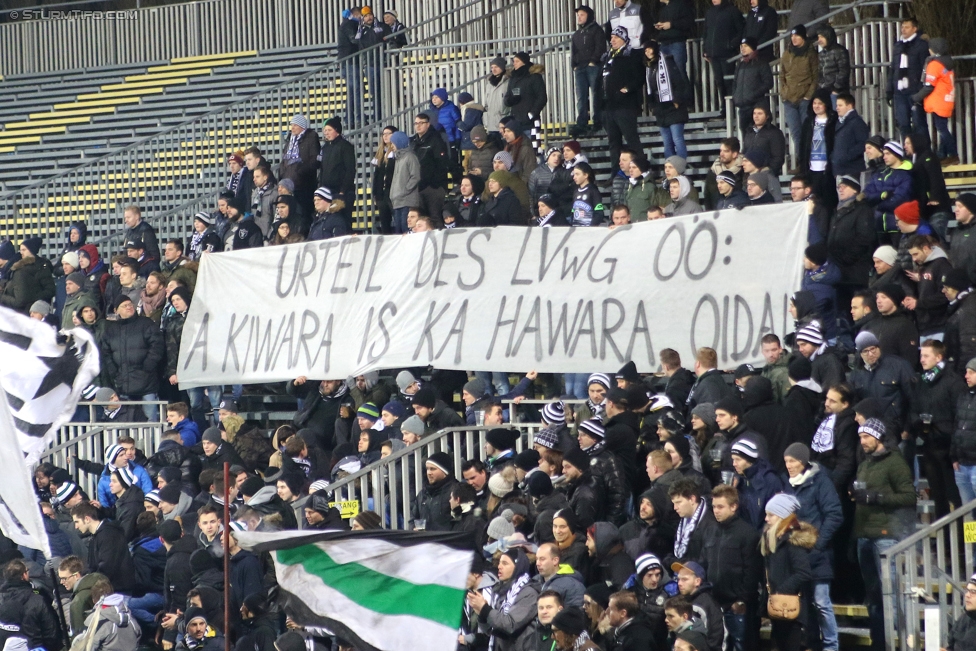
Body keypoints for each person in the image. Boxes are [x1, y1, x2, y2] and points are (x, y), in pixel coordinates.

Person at [854, 418, 916, 651]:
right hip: (864, 535)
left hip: (887, 535)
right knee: (873, 596)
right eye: (860, 437)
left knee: (891, 594)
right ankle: (879, 643)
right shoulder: (864, 464)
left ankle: (900, 642)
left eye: (866, 436)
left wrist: (877, 498)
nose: (862, 442)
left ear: (878, 437)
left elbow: (909, 497)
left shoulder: (895, 463)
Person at [782, 443, 842, 651]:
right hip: (797, 554)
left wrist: (818, 544)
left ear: (803, 461)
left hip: (818, 554)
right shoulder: (787, 485)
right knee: (806, 604)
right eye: (786, 461)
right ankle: (812, 645)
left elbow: (834, 514)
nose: (788, 465)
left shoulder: (820, 481)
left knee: (821, 602)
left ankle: (831, 646)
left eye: (792, 461)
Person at [701, 484, 761, 651]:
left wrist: (741, 600)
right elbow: (704, 562)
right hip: (714, 603)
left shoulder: (747, 534)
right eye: (714, 507)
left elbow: (752, 571)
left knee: (742, 645)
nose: (716, 511)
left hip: (737, 605)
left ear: (733, 506)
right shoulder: (710, 530)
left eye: (720, 507)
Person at [761, 494, 815, 651]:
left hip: (791, 610)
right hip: (778, 608)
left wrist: (780, 591)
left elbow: (804, 572)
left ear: (783, 517)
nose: (766, 519)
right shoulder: (774, 539)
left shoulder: (792, 541)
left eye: (771, 515)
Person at [469, 549, 539, 651]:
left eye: (505, 563)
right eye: (499, 563)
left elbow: (510, 625)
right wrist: (481, 614)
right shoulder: (501, 591)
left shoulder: (529, 593)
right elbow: (490, 630)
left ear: (517, 567)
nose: (499, 567)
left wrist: (485, 609)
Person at [827, 176, 877, 306]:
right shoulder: (837, 211)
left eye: (845, 187)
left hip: (855, 272)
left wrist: (847, 258)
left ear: (855, 190)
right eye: (839, 187)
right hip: (839, 272)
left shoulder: (862, 210)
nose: (840, 190)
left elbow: (865, 238)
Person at [71, 502, 136, 594]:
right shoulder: (97, 536)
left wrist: (87, 583)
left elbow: (107, 567)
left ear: (87, 519)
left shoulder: (108, 535)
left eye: (77, 522)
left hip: (118, 591)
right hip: (109, 588)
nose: (76, 526)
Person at [602, 28, 645, 168]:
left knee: (632, 140)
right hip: (609, 106)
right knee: (613, 142)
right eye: (611, 37)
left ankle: (641, 169)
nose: (612, 40)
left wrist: (627, 89)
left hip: (625, 106)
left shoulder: (631, 54)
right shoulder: (608, 56)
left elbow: (639, 76)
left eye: (616, 37)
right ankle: (616, 173)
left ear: (624, 39)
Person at [643, 39, 691, 160]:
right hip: (661, 109)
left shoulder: (668, 62)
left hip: (673, 107)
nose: (647, 52)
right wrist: (652, 106)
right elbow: (650, 89)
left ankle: (680, 166)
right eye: (645, 50)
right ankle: (670, 167)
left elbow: (679, 82)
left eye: (649, 49)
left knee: (677, 139)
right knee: (667, 142)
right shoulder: (649, 67)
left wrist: (677, 100)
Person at [913, 38, 958, 165]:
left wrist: (916, 97)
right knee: (942, 127)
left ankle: (953, 154)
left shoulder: (934, 64)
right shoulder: (947, 63)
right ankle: (942, 155)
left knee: (942, 129)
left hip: (938, 101)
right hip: (947, 99)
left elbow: (929, 85)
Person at [0, 559, 62, 651]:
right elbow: (51, 632)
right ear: (24, 575)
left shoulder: (1, 599)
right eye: (27, 571)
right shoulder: (38, 599)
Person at [780, 25, 819, 158]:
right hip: (789, 100)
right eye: (792, 36)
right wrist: (784, 93)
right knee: (796, 133)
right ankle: (800, 162)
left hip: (804, 99)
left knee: (807, 131)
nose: (794, 38)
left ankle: (810, 161)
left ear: (803, 37)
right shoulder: (787, 53)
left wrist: (808, 96)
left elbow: (816, 76)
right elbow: (782, 75)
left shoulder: (811, 53)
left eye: (797, 35)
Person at [886, 18, 929, 140]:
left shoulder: (921, 46)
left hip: (915, 91)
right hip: (899, 91)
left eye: (907, 27)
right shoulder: (898, 46)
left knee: (919, 123)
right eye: (902, 27)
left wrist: (921, 90)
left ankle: (923, 152)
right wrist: (889, 89)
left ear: (914, 29)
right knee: (903, 124)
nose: (903, 29)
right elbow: (893, 68)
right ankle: (908, 152)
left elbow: (924, 69)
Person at [863, 141, 914, 241]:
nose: (884, 157)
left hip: (897, 227)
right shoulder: (879, 174)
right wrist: (882, 196)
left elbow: (899, 199)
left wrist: (877, 205)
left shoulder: (906, 175)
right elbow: (867, 194)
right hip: (878, 225)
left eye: (888, 154)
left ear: (897, 154)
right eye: (884, 154)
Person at [671, 561, 725, 651]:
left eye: (684, 579)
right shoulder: (681, 600)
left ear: (697, 581)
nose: (679, 583)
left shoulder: (707, 604)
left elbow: (716, 638)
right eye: (678, 579)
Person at [906, 235, 952, 340]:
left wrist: (918, 303)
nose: (914, 258)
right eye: (912, 255)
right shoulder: (924, 266)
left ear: (926, 248)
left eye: (916, 254)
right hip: (925, 326)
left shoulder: (942, 265)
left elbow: (945, 295)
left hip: (939, 325)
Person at [570, 6, 607, 137]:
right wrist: (574, 65)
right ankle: (582, 121)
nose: (579, 17)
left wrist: (593, 61)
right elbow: (574, 51)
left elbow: (600, 47)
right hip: (580, 68)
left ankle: (598, 120)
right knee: (581, 96)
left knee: (596, 94)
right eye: (578, 15)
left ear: (589, 16)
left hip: (593, 66)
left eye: (582, 15)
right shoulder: (577, 34)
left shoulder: (597, 31)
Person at [797, 91, 838, 208]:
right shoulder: (808, 121)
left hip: (828, 170)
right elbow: (803, 145)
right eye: (814, 103)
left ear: (826, 104)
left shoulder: (833, 121)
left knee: (829, 203)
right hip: (811, 170)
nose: (816, 106)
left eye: (820, 103)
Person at [702, 0, 743, 103]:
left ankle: (732, 107)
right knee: (719, 81)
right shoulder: (709, 12)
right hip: (713, 53)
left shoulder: (732, 11)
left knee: (728, 81)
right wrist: (705, 49)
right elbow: (706, 32)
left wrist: (732, 45)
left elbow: (741, 30)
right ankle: (724, 108)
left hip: (727, 53)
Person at [412, 113, 450, 222]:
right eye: (416, 123)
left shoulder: (436, 140)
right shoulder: (413, 142)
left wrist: (435, 184)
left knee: (435, 217)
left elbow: (442, 163)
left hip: (433, 187)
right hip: (418, 187)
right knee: (421, 219)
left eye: (421, 123)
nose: (418, 126)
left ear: (428, 124)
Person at [732, 38, 773, 135]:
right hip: (743, 107)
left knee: (760, 135)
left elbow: (768, 83)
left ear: (752, 47)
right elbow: (735, 83)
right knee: (746, 135)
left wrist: (753, 95)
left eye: (745, 46)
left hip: (757, 105)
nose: (743, 48)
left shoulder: (761, 63)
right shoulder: (740, 65)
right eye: (741, 46)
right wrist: (735, 96)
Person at [504, 52, 548, 143]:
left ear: (524, 62)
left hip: (530, 122)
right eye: (513, 61)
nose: (514, 63)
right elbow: (507, 98)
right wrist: (510, 100)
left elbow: (542, 97)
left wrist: (532, 114)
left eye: (517, 61)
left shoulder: (534, 77)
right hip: (516, 121)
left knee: (533, 149)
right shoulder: (513, 78)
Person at [943, 269, 976, 376]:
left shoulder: (968, 309)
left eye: (947, 288)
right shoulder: (962, 305)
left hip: (964, 372)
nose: (943, 291)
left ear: (958, 288)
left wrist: (962, 374)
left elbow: (969, 346)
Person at [388, 130, 421, 234]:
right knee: (398, 230)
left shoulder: (410, 157)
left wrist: (405, 190)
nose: (392, 146)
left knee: (405, 228)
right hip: (397, 201)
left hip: (407, 200)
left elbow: (415, 176)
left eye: (393, 143)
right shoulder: (398, 159)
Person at [832, 95, 870, 178]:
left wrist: (846, 156)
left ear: (849, 106)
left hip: (852, 169)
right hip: (840, 169)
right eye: (837, 105)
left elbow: (863, 143)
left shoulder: (857, 122)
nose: (837, 108)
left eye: (840, 105)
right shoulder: (840, 121)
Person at [954, 359, 976, 503]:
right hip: (962, 465)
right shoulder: (964, 396)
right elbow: (956, 427)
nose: (966, 376)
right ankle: (971, 528)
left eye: (971, 372)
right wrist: (954, 456)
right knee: (968, 515)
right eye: (966, 372)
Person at [743, 108, 787, 178]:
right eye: (754, 113)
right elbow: (745, 152)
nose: (756, 116)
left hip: (767, 175)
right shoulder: (749, 132)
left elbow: (778, 157)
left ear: (767, 116)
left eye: (760, 113)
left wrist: (768, 171)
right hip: (749, 175)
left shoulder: (775, 133)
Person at [815, 25, 851, 104]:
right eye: (818, 37)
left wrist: (836, 89)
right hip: (823, 91)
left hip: (836, 93)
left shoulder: (840, 51)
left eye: (822, 37)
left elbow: (844, 71)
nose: (819, 40)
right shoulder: (821, 54)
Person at [485, 57, 511, 141]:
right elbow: (486, 103)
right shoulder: (489, 83)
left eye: (496, 67)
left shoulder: (508, 81)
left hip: (504, 123)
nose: (493, 69)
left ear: (502, 67)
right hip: (491, 124)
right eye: (492, 67)